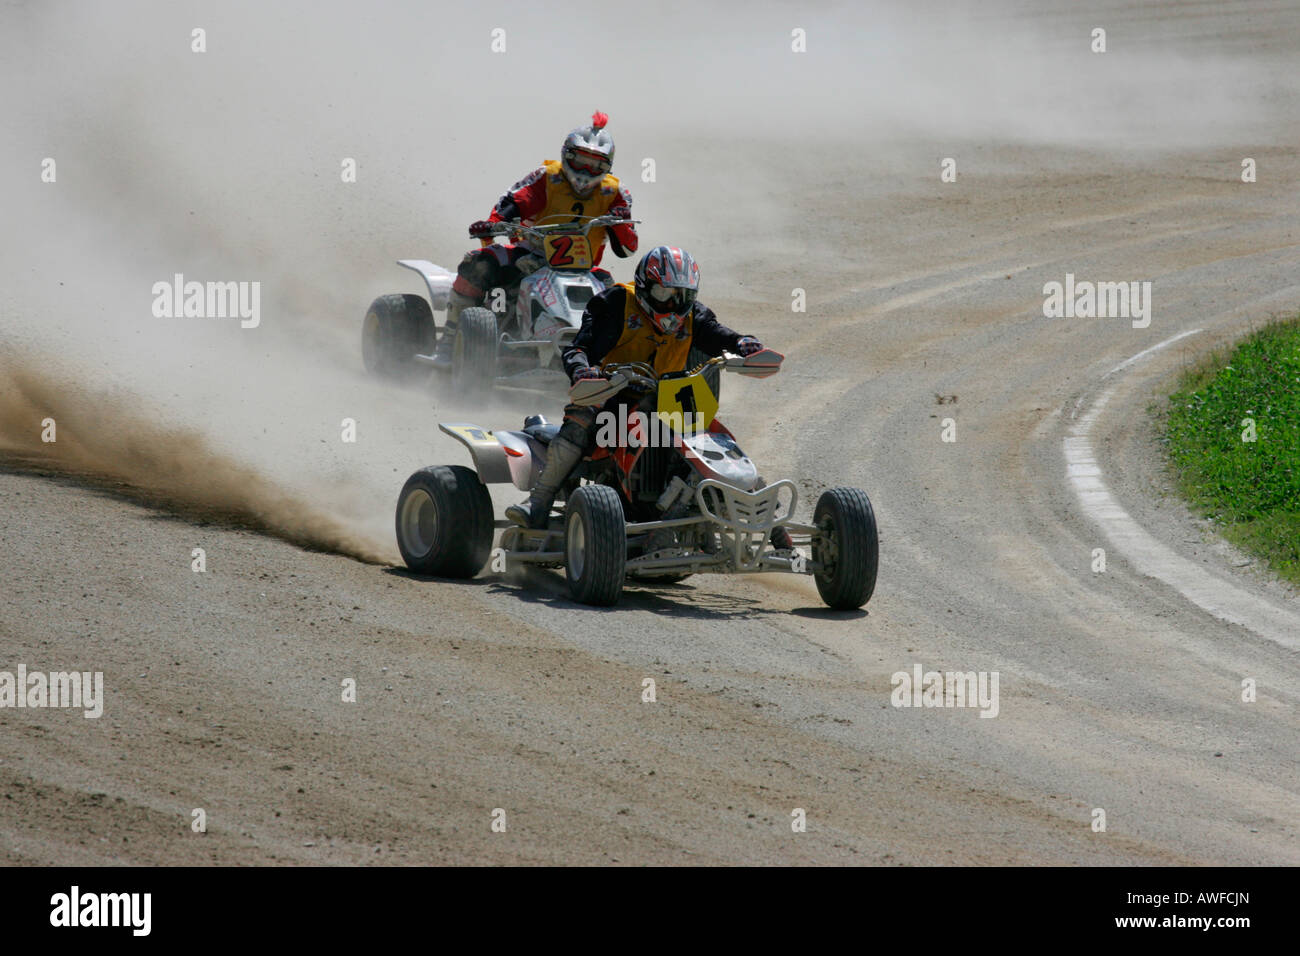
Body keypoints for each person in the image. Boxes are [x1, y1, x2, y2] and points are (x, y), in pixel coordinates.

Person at [506, 246, 774, 539]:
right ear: (645, 288)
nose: (674, 304)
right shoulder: (616, 303)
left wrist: (745, 344)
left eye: (683, 295)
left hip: (669, 399)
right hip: (611, 392)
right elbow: (579, 348)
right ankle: (538, 502)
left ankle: (768, 522)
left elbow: (720, 336)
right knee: (581, 420)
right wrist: (585, 370)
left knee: (713, 436)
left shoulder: (695, 315)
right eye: (664, 294)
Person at [432, 111, 638, 365]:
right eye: (582, 160)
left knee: (614, 296)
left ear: (607, 166)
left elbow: (627, 250)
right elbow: (518, 201)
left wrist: (621, 222)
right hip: (530, 252)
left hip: (583, 267)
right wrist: (495, 223)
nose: (587, 170)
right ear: (567, 155)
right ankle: (451, 339)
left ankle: (604, 353)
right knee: (479, 264)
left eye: (595, 164)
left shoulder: (615, 192)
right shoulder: (549, 177)